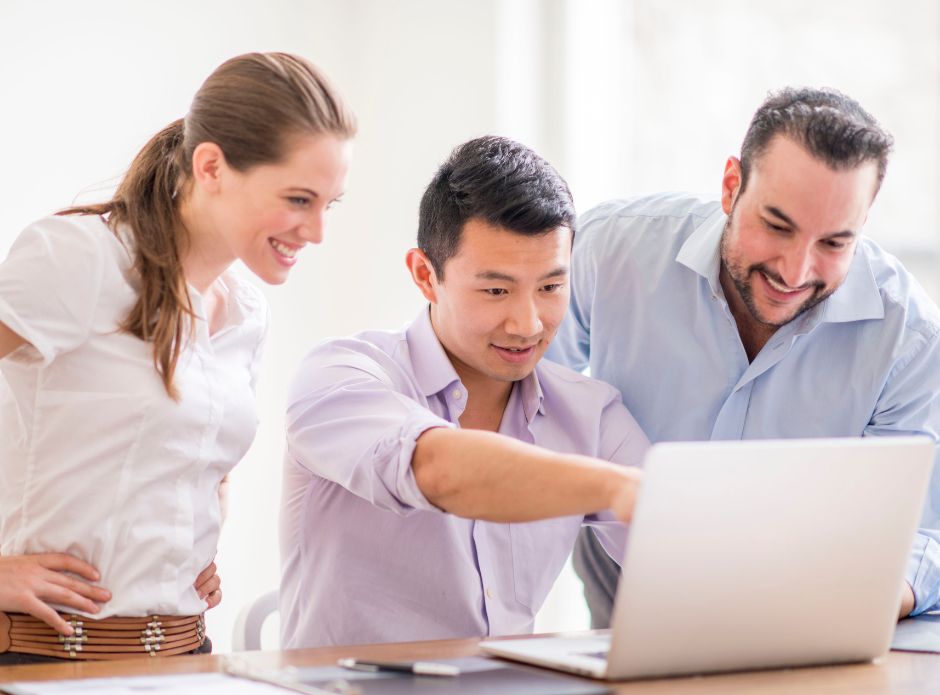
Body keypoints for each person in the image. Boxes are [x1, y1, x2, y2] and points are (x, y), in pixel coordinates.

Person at [0, 52, 356, 662]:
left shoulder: (245, 310)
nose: (317, 231)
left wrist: (179, 554)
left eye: (331, 204)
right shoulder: (82, 258)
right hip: (46, 662)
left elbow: (195, 460)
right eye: (299, 199)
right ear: (212, 166)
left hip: (186, 659)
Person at [545, 86, 940, 627]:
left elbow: (923, 533)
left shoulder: (909, 338)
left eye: (833, 243)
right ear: (732, 187)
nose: (795, 272)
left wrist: (859, 600)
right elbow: (524, 393)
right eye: (777, 227)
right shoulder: (610, 251)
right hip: (626, 559)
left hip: (809, 586)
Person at [279, 136, 648, 649]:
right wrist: (616, 488)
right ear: (425, 276)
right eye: (495, 290)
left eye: (550, 287)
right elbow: (438, 469)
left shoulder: (592, 414)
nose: (528, 323)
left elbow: (685, 561)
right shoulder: (340, 376)